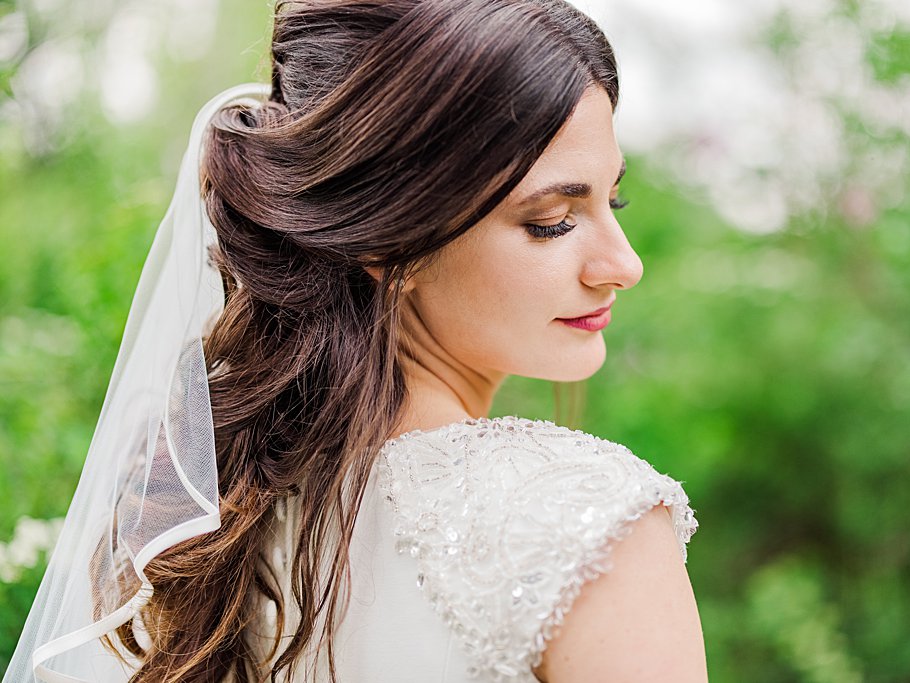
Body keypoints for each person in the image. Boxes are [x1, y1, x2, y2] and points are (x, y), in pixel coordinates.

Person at [4, 1, 705, 681]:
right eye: (551, 219)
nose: (624, 263)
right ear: (390, 237)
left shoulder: (213, 519)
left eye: (611, 201)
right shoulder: (590, 524)